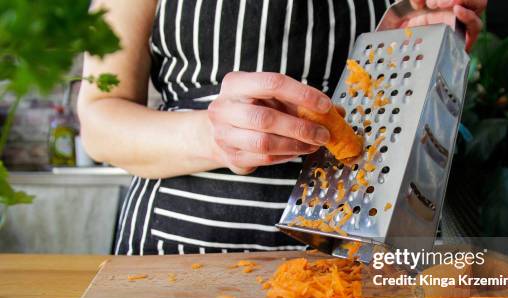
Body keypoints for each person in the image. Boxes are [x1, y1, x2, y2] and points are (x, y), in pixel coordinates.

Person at [78, 0, 487, 256]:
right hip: (179, 250)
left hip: (365, 247)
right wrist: (210, 136)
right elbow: (98, 119)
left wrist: (437, 28)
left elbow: (417, 63)